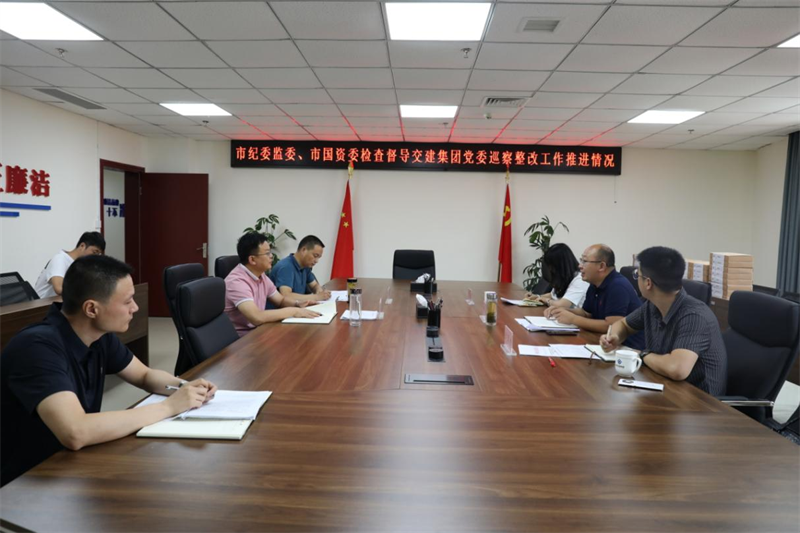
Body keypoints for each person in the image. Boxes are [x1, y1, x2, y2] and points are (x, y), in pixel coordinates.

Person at [0, 255, 217, 487]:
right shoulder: (36, 348)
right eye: (127, 301)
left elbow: (144, 375)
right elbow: (75, 431)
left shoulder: (98, 336)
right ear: (91, 308)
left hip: (67, 468)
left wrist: (185, 387)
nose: (135, 308)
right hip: (22, 483)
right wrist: (169, 407)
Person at [600, 246, 727, 395]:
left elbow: (677, 369)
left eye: (637, 275)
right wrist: (615, 337)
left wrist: (641, 355)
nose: (636, 279)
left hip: (697, 402)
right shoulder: (652, 305)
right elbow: (623, 324)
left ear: (648, 283)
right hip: (665, 388)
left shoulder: (695, 316)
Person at [545, 244, 645, 350]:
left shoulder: (618, 286)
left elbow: (611, 325)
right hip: (603, 342)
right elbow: (587, 313)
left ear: (601, 266)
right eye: (581, 260)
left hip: (628, 349)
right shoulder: (595, 283)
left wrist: (573, 319)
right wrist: (562, 310)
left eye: (584, 261)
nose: (579, 266)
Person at [224, 232, 321, 337]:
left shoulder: (261, 276)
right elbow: (256, 317)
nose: (271, 256)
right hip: (241, 339)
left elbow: (281, 301)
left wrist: (297, 304)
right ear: (252, 259)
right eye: (267, 253)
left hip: (259, 330)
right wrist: (293, 311)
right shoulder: (236, 281)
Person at [34, 231, 106, 298]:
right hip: (41, 306)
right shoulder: (60, 259)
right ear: (82, 246)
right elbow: (59, 288)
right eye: (94, 252)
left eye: (98, 254)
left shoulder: (80, 265)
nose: (96, 257)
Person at [269, 235, 332, 303]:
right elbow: (286, 295)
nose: (316, 261)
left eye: (318, 257)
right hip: (281, 309)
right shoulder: (286, 267)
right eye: (315, 256)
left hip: (297, 307)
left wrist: (319, 291)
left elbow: (314, 285)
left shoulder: (305, 266)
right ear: (304, 250)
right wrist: (316, 297)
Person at [525, 243, 590, 309]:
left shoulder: (580, 280)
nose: (550, 269)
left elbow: (562, 305)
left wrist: (546, 300)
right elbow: (553, 295)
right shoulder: (564, 277)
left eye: (552, 266)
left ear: (560, 265)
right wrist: (537, 297)